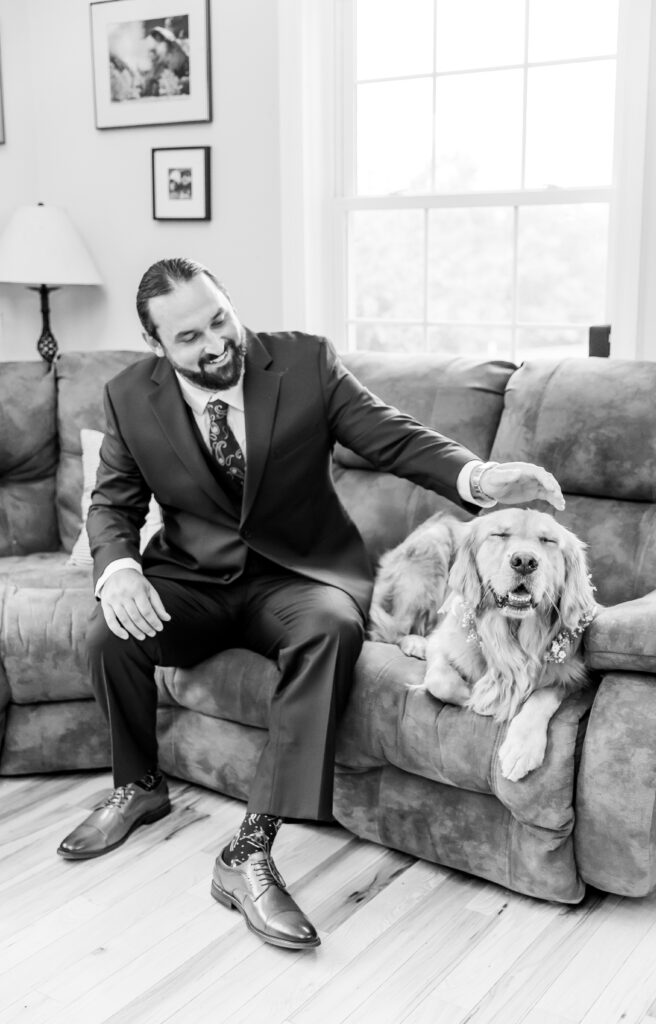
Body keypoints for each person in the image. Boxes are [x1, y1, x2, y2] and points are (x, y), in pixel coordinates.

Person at [58, 257, 564, 951]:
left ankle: (248, 853)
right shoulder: (127, 396)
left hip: (301, 578)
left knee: (329, 630)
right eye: (188, 338)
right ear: (155, 346)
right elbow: (112, 502)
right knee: (107, 635)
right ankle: (140, 785)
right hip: (194, 579)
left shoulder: (303, 363)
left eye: (219, 319)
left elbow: (392, 434)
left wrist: (475, 474)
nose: (214, 343)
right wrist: (116, 568)